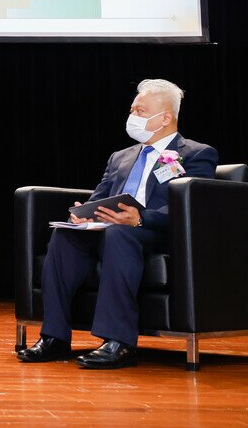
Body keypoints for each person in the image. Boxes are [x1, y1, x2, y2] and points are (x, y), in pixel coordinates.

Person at [18, 79, 218, 369]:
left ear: (164, 117)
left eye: (141, 110)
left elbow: (192, 205)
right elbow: (100, 197)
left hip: (157, 233)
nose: (133, 116)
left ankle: (119, 342)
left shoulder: (195, 154)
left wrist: (141, 218)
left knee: (120, 235)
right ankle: (55, 338)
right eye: (132, 109)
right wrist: (85, 214)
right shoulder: (120, 157)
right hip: (111, 229)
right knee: (65, 236)